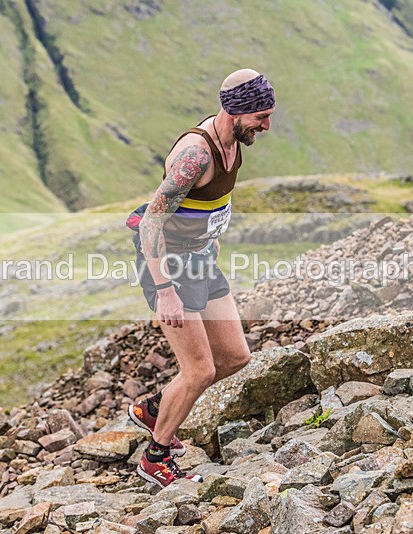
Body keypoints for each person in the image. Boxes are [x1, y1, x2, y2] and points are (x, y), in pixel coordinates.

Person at [126, 69, 275, 487]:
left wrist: (210, 239)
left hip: (200, 258)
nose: (266, 126)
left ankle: (154, 409)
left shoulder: (234, 142)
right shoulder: (196, 156)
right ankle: (155, 458)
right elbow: (150, 223)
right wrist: (165, 291)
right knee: (199, 371)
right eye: (261, 117)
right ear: (236, 111)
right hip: (169, 264)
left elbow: (209, 203)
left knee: (235, 357)